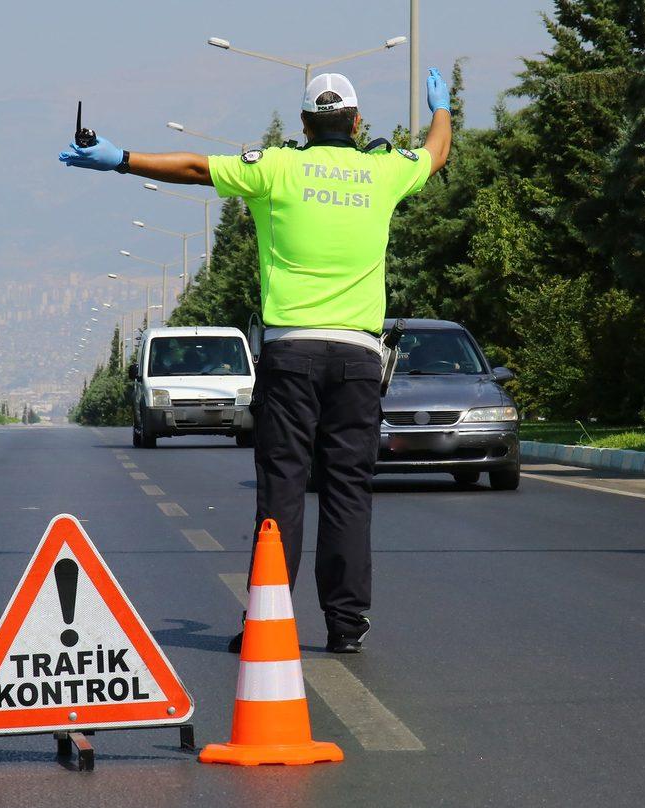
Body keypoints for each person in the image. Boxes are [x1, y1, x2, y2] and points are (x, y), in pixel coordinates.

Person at [60, 68, 452, 653]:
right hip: (358, 358)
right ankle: (346, 626)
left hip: (290, 355)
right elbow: (436, 154)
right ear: (357, 122)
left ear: (302, 124)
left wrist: (121, 159)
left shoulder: (276, 167)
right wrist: (440, 109)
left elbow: (195, 169)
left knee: (283, 489)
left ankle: (268, 619)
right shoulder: (384, 172)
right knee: (348, 490)